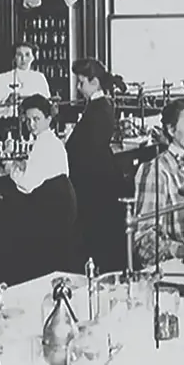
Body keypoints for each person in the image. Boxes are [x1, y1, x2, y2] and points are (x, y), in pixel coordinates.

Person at [132, 97, 184, 267]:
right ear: (171, 130)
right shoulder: (157, 170)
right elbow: (143, 241)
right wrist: (182, 250)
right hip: (173, 269)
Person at [2, 95, 79, 283]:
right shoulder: (52, 141)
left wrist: (10, 169)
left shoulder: (43, 144)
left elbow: (27, 185)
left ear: (48, 119)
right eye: (28, 120)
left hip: (51, 210)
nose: (31, 124)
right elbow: (41, 171)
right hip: (63, 206)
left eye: (36, 119)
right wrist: (25, 165)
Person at [67, 58, 125, 272]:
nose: (78, 87)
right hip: (97, 174)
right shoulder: (97, 105)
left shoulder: (100, 107)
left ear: (95, 82)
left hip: (95, 179)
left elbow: (86, 146)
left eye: (81, 82)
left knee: (97, 232)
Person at [0, 42, 51, 124]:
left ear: (33, 57)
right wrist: (7, 103)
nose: (23, 59)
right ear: (14, 57)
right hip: (8, 124)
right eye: (19, 55)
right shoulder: (2, 78)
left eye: (27, 55)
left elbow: (48, 107)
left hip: (35, 125)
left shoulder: (39, 78)